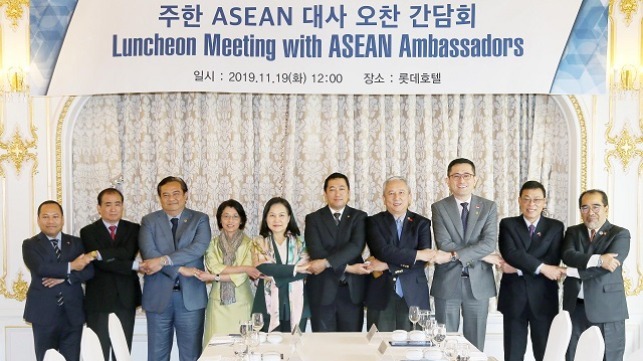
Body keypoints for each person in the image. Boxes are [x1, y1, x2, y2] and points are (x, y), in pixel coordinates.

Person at [139, 176, 211, 361]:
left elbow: (198, 248)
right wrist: (179, 269)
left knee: (191, 355)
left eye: (176, 193)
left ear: (186, 195)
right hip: (158, 296)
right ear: (160, 198)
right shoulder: (149, 221)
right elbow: (149, 255)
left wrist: (164, 260)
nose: (171, 198)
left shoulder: (200, 219)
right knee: (157, 355)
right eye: (166, 195)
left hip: (191, 298)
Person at [430, 158, 499, 351]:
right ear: (448, 180)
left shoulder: (488, 207)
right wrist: (481, 254)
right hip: (447, 283)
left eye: (467, 175)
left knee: (475, 346)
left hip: (478, 285)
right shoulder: (439, 207)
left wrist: (455, 254)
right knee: (444, 345)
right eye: (456, 175)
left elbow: (488, 243)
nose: (462, 180)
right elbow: (443, 243)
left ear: (475, 179)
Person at [497, 181, 566, 361]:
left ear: (544, 202)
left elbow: (553, 260)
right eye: (526, 199)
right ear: (519, 201)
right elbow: (510, 253)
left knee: (545, 355)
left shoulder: (555, 227)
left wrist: (518, 268)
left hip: (543, 298)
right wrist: (542, 268)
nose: (531, 204)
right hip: (514, 299)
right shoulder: (508, 224)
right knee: (513, 355)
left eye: (536, 199)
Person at [562, 189, 630, 361]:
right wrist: (599, 259)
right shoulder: (573, 231)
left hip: (607, 310)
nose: (590, 212)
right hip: (575, 307)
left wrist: (570, 271)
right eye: (585, 208)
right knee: (572, 356)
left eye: (596, 207)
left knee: (610, 357)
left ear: (606, 208)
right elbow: (568, 255)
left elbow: (609, 267)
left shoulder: (620, 234)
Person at [22, 200, 95, 361]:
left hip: (73, 313)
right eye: (45, 217)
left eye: (55, 216)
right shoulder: (30, 245)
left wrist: (66, 278)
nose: (50, 221)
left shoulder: (76, 243)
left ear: (62, 219)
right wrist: (73, 265)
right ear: (38, 219)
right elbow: (41, 268)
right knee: (46, 358)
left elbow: (89, 270)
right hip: (43, 314)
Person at [364, 176, 435, 331]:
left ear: (409, 197)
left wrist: (385, 265)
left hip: (413, 294)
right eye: (391, 193)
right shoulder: (372, 222)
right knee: (380, 348)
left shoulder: (422, 223)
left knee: (414, 348)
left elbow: (423, 260)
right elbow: (382, 251)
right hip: (382, 294)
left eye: (401, 192)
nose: (397, 197)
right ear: (383, 198)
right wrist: (416, 254)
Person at [80, 188, 142, 361]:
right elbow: (100, 264)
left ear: (123, 206)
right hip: (98, 300)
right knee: (98, 353)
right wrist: (133, 265)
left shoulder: (134, 229)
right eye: (108, 204)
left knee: (122, 351)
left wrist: (100, 253)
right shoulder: (88, 231)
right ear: (99, 208)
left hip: (126, 298)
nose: (113, 208)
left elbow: (128, 251)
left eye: (117, 204)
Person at [305, 173, 370, 332]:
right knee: (323, 348)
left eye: (342, 189)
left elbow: (356, 247)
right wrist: (347, 267)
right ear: (325, 193)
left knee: (351, 348)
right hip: (322, 292)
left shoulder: (359, 217)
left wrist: (326, 262)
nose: (337, 193)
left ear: (348, 193)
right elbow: (316, 252)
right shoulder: (313, 219)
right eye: (332, 189)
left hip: (351, 292)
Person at [195, 199, 261, 344]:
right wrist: (244, 267)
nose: (230, 220)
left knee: (243, 347)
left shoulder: (250, 243)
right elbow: (214, 266)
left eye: (235, 216)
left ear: (242, 220)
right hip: (217, 305)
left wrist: (213, 277)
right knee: (215, 348)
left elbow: (241, 278)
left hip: (242, 303)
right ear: (220, 219)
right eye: (226, 216)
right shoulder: (212, 243)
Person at [252, 197, 310, 333]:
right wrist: (295, 269)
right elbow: (262, 267)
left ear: (289, 218)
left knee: (294, 349)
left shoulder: (301, 242)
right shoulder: (259, 242)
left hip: (297, 303)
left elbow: (306, 269)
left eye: (281, 215)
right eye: (272, 215)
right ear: (266, 218)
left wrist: (274, 274)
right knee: (269, 350)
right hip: (266, 304)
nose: (276, 220)